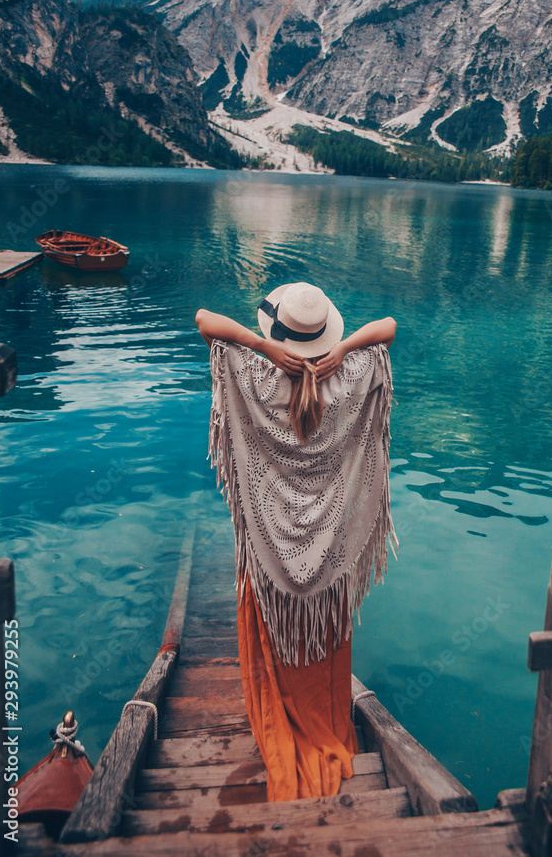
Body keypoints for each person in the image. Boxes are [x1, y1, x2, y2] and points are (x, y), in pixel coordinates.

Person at [196, 281, 397, 802]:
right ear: (325, 334)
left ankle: (278, 714)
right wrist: (345, 350)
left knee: (274, 626)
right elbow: (388, 329)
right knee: (323, 639)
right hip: (328, 558)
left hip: (269, 557)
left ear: (279, 333)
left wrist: (263, 347)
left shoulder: (255, 373)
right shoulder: (352, 376)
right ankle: (325, 720)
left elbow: (204, 319)